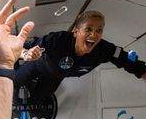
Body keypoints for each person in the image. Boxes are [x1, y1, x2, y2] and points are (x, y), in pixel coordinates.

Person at [14, 10, 146, 105]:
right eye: (88, 29)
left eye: (99, 30)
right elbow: (25, 47)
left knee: (39, 98)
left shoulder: (104, 49)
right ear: (76, 32)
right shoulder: (57, 40)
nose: (94, 35)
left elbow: (130, 62)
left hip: (55, 75)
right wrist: (26, 54)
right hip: (37, 65)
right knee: (15, 86)